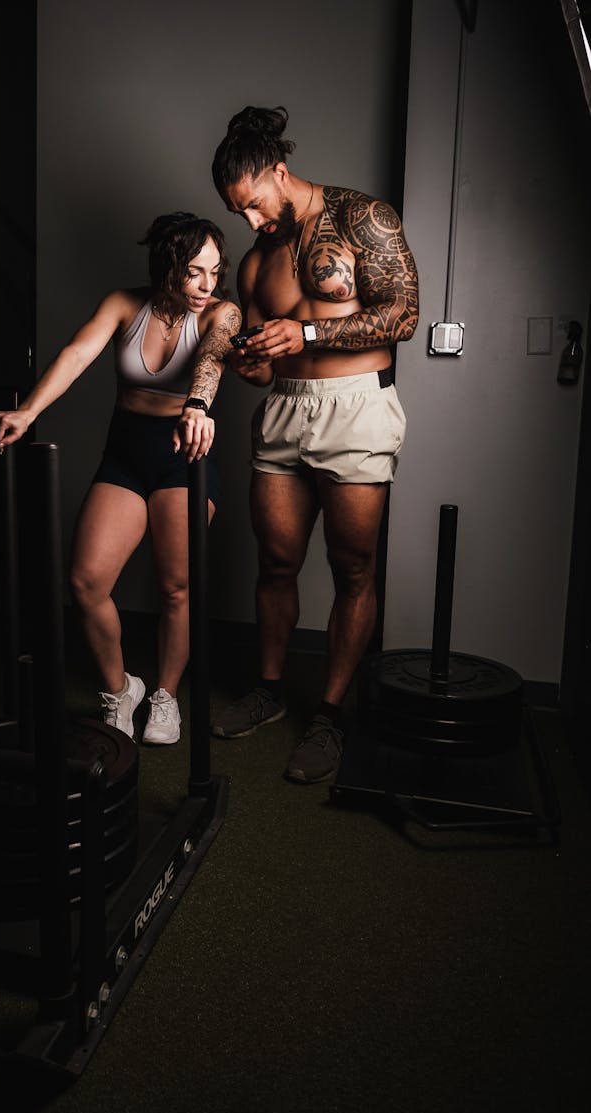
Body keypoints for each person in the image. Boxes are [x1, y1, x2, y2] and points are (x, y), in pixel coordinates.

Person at [209, 106, 419, 784]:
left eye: (255, 203)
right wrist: (255, 364)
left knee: (353, 566)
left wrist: (307, 336)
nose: (251, 222)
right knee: (275, 561)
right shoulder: (255, 262)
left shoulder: (365, 218)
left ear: (279, 170)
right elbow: (268, 364)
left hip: (358, 407)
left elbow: (403, 314)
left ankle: (329, 713)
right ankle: (270, 689)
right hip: (285, 412)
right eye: (236, 212)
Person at [0, 213, 241, 745]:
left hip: (184, 455)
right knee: (85, 581)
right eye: (194, 272)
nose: (206, 286)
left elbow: (213, 359)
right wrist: (28, 413)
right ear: (167, 267)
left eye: (215, 273)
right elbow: (77, 354)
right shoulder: (124, 303)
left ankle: (167, 695)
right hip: (126, 453)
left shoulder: (224, 313)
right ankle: (120, 688)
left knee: (176, 586)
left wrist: (196, 406)